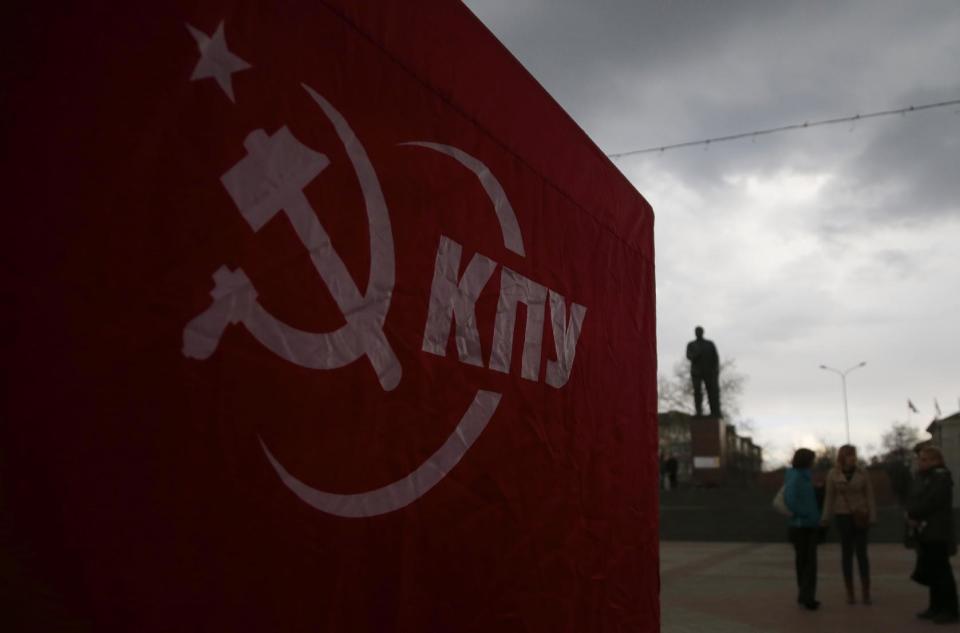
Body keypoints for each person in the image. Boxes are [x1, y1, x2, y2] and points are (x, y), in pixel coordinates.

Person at [907, 446, 958, 623]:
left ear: (935, 461)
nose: (920, 462)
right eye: (920, 459)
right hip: (926, 531)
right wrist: (911, 515)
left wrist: (913, 514)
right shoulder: (924, 477)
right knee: (933, 571)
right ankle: (935, 607)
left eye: (924, 459)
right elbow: (915, 498)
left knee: (942, 571)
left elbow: (932, 501)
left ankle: (950, 610)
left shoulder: (941, 477)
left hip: (937, 531)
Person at [821, 444, 876, 605]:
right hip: (842, 516)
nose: (853, 457)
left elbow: (870, 495)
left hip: (860, 515)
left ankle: (866, 591)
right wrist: (825, 517)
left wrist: (872, 516)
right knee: (846, 554)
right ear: (842, 457)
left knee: (862, 554)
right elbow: (829, 497)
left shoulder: (862, 472)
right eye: (849, 455)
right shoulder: (833, 473)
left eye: (854, 454)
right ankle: (850, 592)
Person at [785, 448, 821, 610]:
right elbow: (790, 499)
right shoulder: (798, 477)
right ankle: (808, 597)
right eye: (812, 460)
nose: (814, 463)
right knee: (808, 564)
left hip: (805, 525)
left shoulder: (803, 477)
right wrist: (804, 513)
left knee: (803, 563)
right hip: (802, 526)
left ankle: (804, 595)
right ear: (806, 461)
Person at [685, 326, 720, 417]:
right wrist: (696, 355)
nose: (698, 333)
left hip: (709, 372)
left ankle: (714, 412)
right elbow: (689, 356)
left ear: (702, 332)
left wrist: (715, 371)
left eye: (699, 331)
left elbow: (715, 358)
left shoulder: (709, 344)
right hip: (696, 372)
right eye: (696, 331)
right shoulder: (691, 344)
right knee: (697, 392)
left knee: (711, 392)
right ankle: (699, 412)